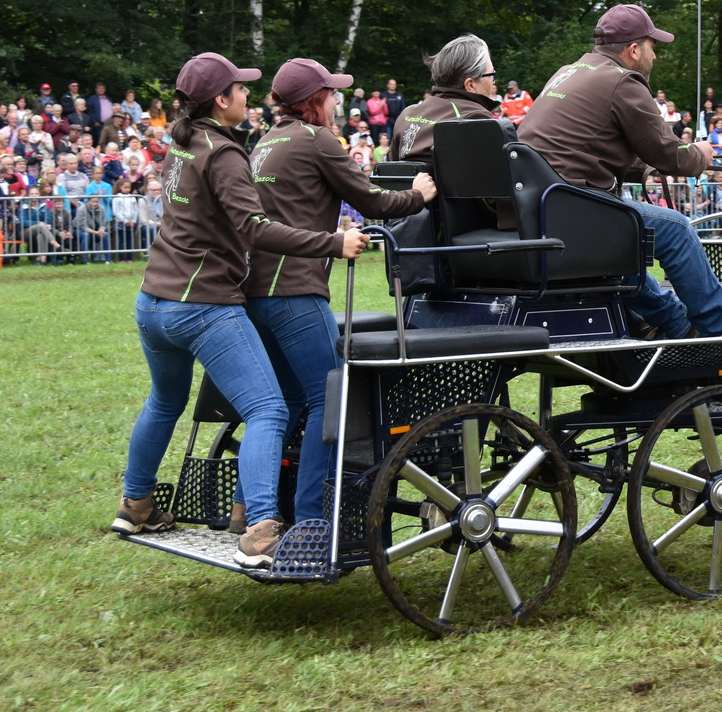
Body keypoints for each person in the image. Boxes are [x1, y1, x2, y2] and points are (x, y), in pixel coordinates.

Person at [116, 52, 368, 571]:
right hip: (203, 305)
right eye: (240, 88)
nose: (248, 95)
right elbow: (254, 228)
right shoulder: (224, 153)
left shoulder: (181, 145)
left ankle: (136, 504)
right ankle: (258, 531)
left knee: (165, 402)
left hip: (152, 301)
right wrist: (331, 241)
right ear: (220, 100)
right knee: (269, 409)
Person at [242, 57, 435, 527]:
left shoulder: (264, 142)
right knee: (330, 397)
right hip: (295, 290)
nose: (337, 100)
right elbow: (370, 199)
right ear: (314, 100)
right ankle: (311, 517)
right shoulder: (317, 139)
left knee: (283, 402)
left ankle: (252, 511)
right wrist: (419, 195)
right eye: (331, 93)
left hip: (254, 291)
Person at [519, 4, 722, 339]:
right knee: (676, 229)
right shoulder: (621, 80)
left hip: (541, 209)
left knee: (624, 243)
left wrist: (645, 168)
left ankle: (672, 322)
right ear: (634, 49)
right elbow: (670, 153)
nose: (656, 57)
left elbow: (589, 145)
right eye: (653, 47)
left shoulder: (570, 71)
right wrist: (699, 153)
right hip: (571, 209)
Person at [390, 34, 502, 162]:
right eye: (492, 74)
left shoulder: (408, 113)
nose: (494, 81)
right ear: (470, 85)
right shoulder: (476, 117)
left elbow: (388, 170)